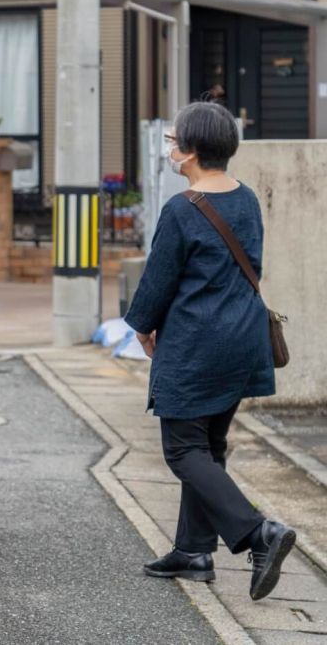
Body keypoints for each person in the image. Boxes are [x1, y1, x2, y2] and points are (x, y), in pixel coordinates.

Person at [125, 101, 294, 601]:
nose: (170, 148)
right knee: (209, 446)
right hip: (243, 340)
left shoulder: (182, 209)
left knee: (182, 449)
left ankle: (257, 531)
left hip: (196, 342)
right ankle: (194, 550)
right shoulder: (246, 199)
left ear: (193, 150)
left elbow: (159, 279)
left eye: (174, 140)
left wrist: (141, 326)